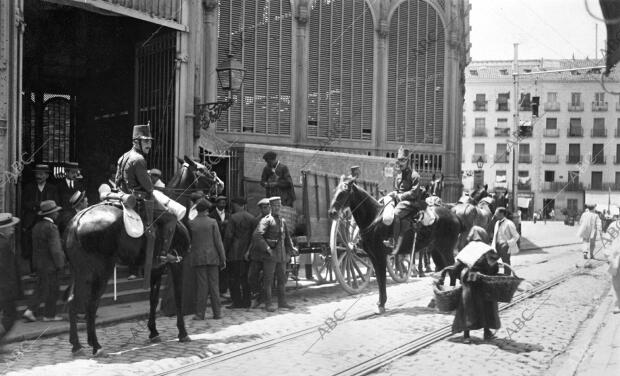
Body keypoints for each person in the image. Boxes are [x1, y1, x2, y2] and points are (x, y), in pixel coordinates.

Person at [115, 124, 178, 267]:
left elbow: (117, 181)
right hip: (140, 201)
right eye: (146, 141)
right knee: (171, 218)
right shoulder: (138, 159)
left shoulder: (123, 157)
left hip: (125, 197)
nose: (149, 144)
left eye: (150, 141)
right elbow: (149, 187)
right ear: (136, 142)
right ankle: (163, 254)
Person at [446, 226, 501, 343]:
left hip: (469, 282)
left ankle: (466, 335)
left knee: (467, 307)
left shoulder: (466, 249)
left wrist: (457, 279)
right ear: (484, 236)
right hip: (484, 282)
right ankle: (487, 332)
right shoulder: (488, 249)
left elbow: (456, 268)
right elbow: (495, 268)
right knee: (487, 306)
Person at [22, 201, 65, 322]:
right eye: (55, 211)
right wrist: (60, 264)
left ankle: (29, 311)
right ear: (51, 214)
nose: (57, 213)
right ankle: (49, 315)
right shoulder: (52, 228)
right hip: (51, 265)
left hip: (39, 264)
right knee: (53, 290)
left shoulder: (37, 226)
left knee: (41, 288)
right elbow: (55, 250)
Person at [253, 196, 298, 312]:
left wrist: (292, 248)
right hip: (270, 256)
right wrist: (267, 248)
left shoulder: (282, 221)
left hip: (281, 256)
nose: (277, 208)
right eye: (275, 206)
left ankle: (282, 303)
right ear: (270, 207)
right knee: (268, 281)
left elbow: (287, 238)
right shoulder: (266, 220)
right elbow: (257, 236)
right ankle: (268, 304)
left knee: (282, 280)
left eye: (279, 205)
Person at [189, 199, 226, 320]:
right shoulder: (213, 222)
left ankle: (200, 314)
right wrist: (223, 258)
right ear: (206, 210)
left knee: (202, 287)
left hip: (198, 258)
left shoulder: (192, 223)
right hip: (213, 257)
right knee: (214, 287)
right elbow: (218, 242)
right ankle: (218, 313)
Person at [383, 146, 424, 254]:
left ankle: (395, 243)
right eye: (399, 160)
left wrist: (401, 196)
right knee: (384, 207)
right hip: (400, 201)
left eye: (403, 160)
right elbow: (397, 190)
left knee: (396, 214)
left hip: (412, 203)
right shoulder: (398, 176)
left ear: (408, 161)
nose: (400, 163)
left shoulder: (415, 175)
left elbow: (414, 193)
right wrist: (394, 193)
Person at [21, 164, 59, 270]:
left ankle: (46, 268)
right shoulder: (29, 187)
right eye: (37, 174)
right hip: (32, 219)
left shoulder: (52, 188)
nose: (38, 176)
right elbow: (24, 203)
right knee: (32, 244)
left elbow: (56, 203)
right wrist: (38, 205)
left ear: (47, 175)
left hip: (46, 219)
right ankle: (33, 268)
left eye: (41, 174)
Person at [224, 198, 255, 308]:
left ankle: (237, 302)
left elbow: (228, 236)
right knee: (245, 278)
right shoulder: (252, 218)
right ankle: (247, 302)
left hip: (234, 253)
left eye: (234, 205)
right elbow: (254, 236)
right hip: (247, 253)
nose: (233, 207)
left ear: (237, 205)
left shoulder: (233, 218)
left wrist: (224, 251)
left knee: (234, 278)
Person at [0, 213, 21, 341]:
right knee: (11, 316)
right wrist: (11, 289)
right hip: (4, 288)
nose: (13, 229)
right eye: (10, 227)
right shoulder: (3, 245)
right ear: (3, 229)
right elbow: (6, 270)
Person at [210, 196, 230, 298]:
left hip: (225, 244)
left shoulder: (229, 215)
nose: (222, 205)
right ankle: (214, 290)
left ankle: (223, 289)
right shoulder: (211, 215)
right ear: (217, 204)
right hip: (215, 244)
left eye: (224, 203)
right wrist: (221, 223)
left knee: (224, 266)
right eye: (220, 203)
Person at [491, 207, 520, 275]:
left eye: (496, 213)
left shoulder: (509, 223)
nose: (495, 215)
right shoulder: (497, 223)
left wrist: (508, 243)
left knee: (506, 263)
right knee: (491, 262)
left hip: (505, 247)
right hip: (496, 246)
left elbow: (516, 236)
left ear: (501, 214)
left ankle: (507, 278)